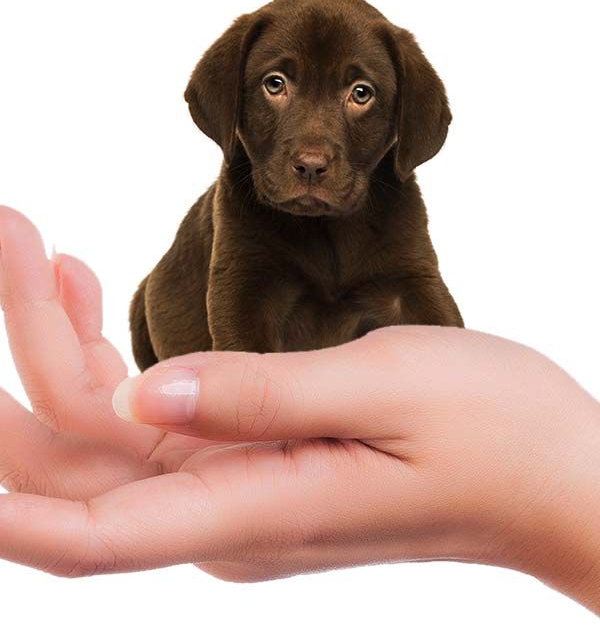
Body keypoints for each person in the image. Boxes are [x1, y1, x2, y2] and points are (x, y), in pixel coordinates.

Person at [0, 206, 599, 613]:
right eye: (275, 85)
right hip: (182, 371)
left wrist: (539, 474)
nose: (312, 149)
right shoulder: (238, 213)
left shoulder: (393, 211)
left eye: (360, 92)